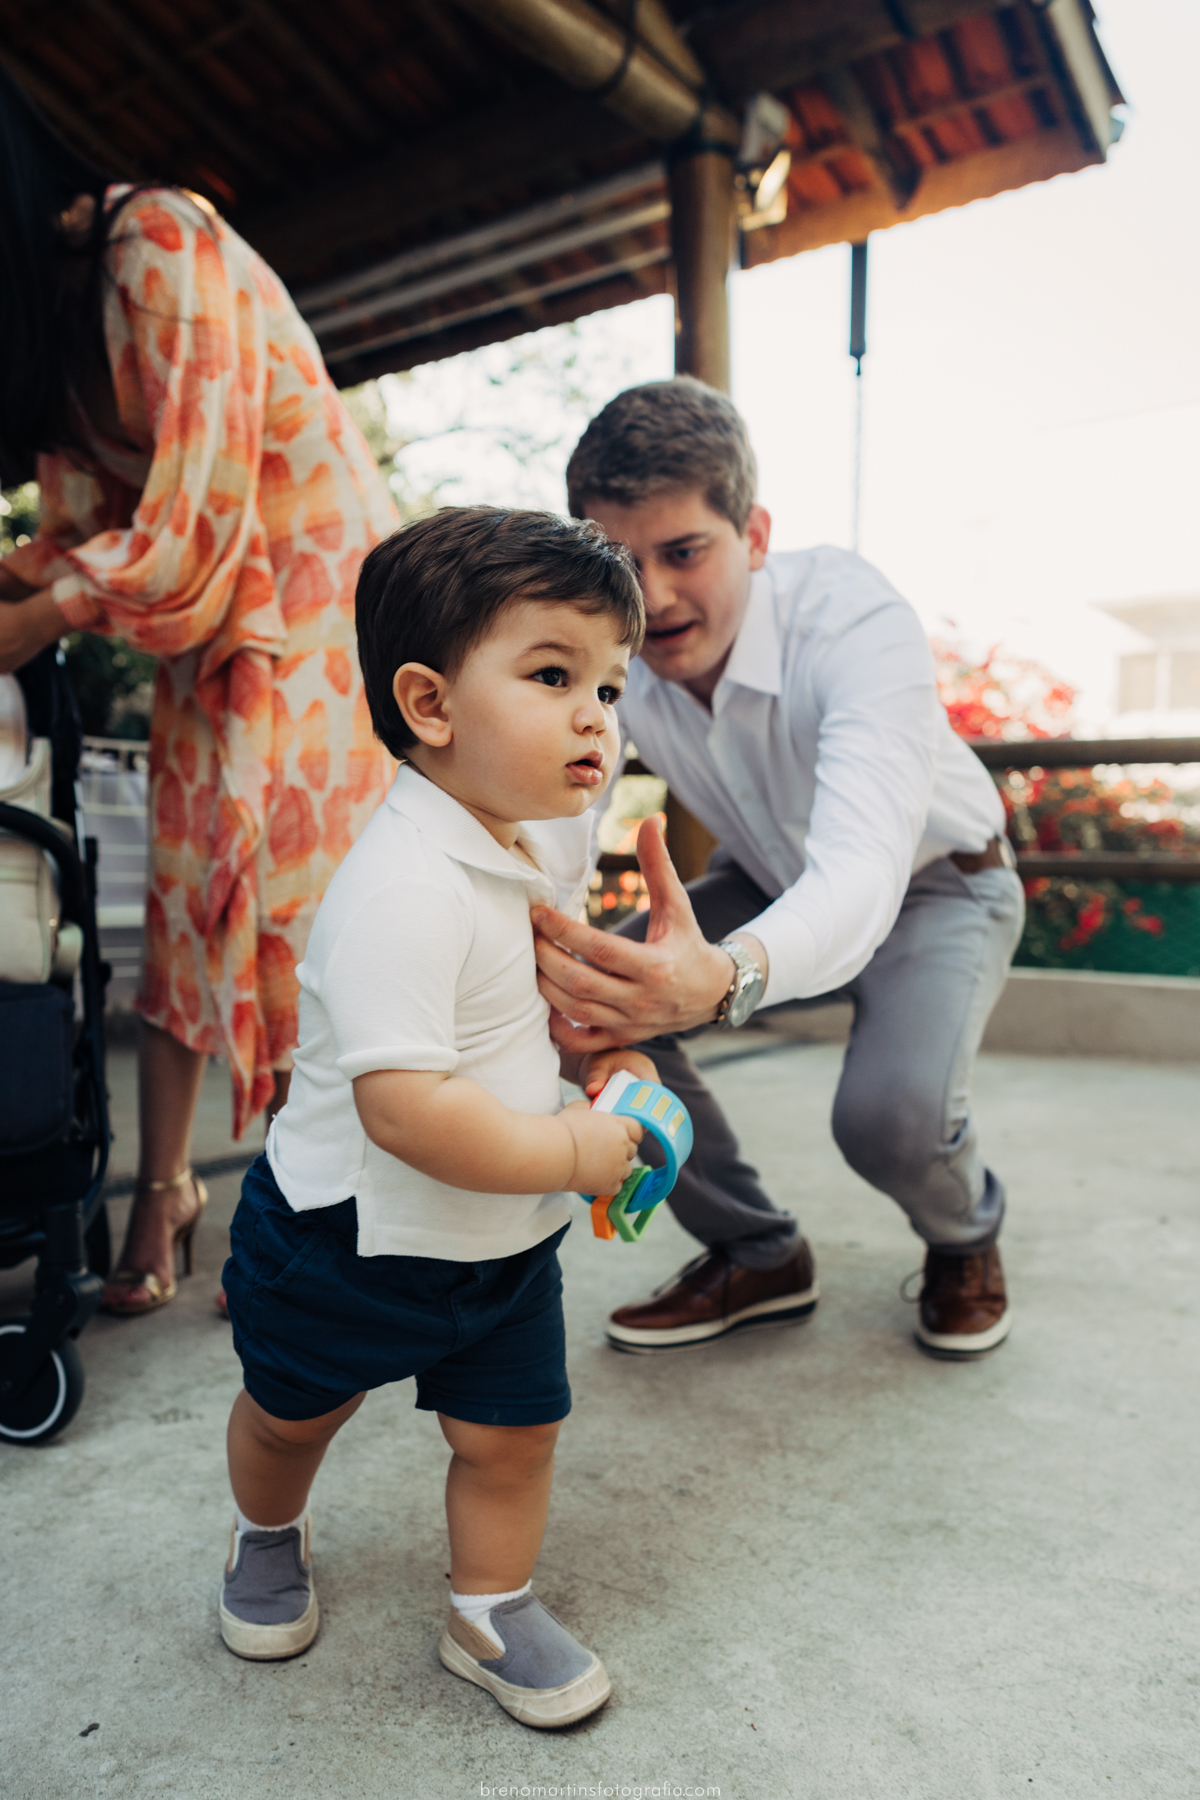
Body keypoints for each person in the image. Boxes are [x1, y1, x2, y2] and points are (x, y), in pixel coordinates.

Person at [218, 507, 655, 1728]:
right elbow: (406, 1113)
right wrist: (574, 1149)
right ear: (429, 703)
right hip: (348, 1240)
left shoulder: (543, 839)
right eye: (555, 675)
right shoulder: (401, 887)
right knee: (293, 1412)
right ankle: (266, 1531)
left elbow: (544, 1008)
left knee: (511, 1437)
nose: (595, 716)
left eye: (610, 686)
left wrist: (612, 1064)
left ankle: (489, 1605)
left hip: (500, 1240)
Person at [0, 72, 396, 1316]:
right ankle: (162, 1191)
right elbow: (77, 531)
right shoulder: (55, 324)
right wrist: (25, 595)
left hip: (307, 585)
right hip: (198, 613)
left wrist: (28, 617)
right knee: (183, 888)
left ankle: (313, 1201)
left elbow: (192, 519)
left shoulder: (157, 239)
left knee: (294, 893)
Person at [531, 378, 1025, 1360]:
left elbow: (859, 875)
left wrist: (722, 976)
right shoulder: (610, 643)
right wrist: (545, 946)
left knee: (887, 1123)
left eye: (684, 552)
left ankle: (964, 1235)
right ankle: (756, 1251)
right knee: (592, 1004)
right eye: (623, 564)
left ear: (753, 534)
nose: (655, 598)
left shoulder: (854, 618)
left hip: (936, 881)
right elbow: (559, 819)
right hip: (767, 876)